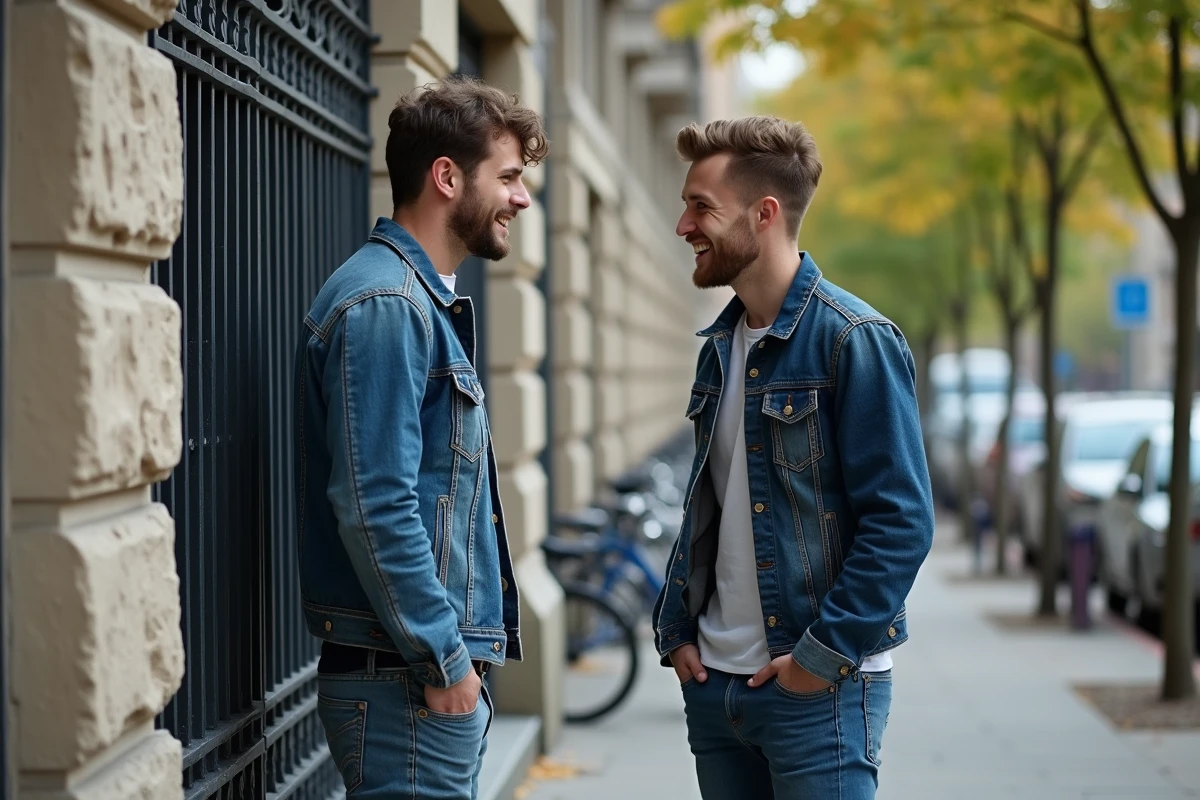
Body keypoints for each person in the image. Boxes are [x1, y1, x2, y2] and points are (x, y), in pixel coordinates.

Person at [652, 116, 935, 799]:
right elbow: (713, 504)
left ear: (765, 214)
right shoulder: (718, 349)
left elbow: (901, 522)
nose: (683, 224)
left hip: (818, 695)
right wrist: (678, 631)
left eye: (701, 207)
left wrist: (821, 657)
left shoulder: (852, 341)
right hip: (716, 688)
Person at [293, 75, 547, 799]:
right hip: (405, 685)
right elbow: (375, 505)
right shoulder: (386, 305)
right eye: (507, 177)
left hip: (411, 680)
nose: (520, 198)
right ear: (445, 177)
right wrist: (445, 661)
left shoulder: (412, 300)